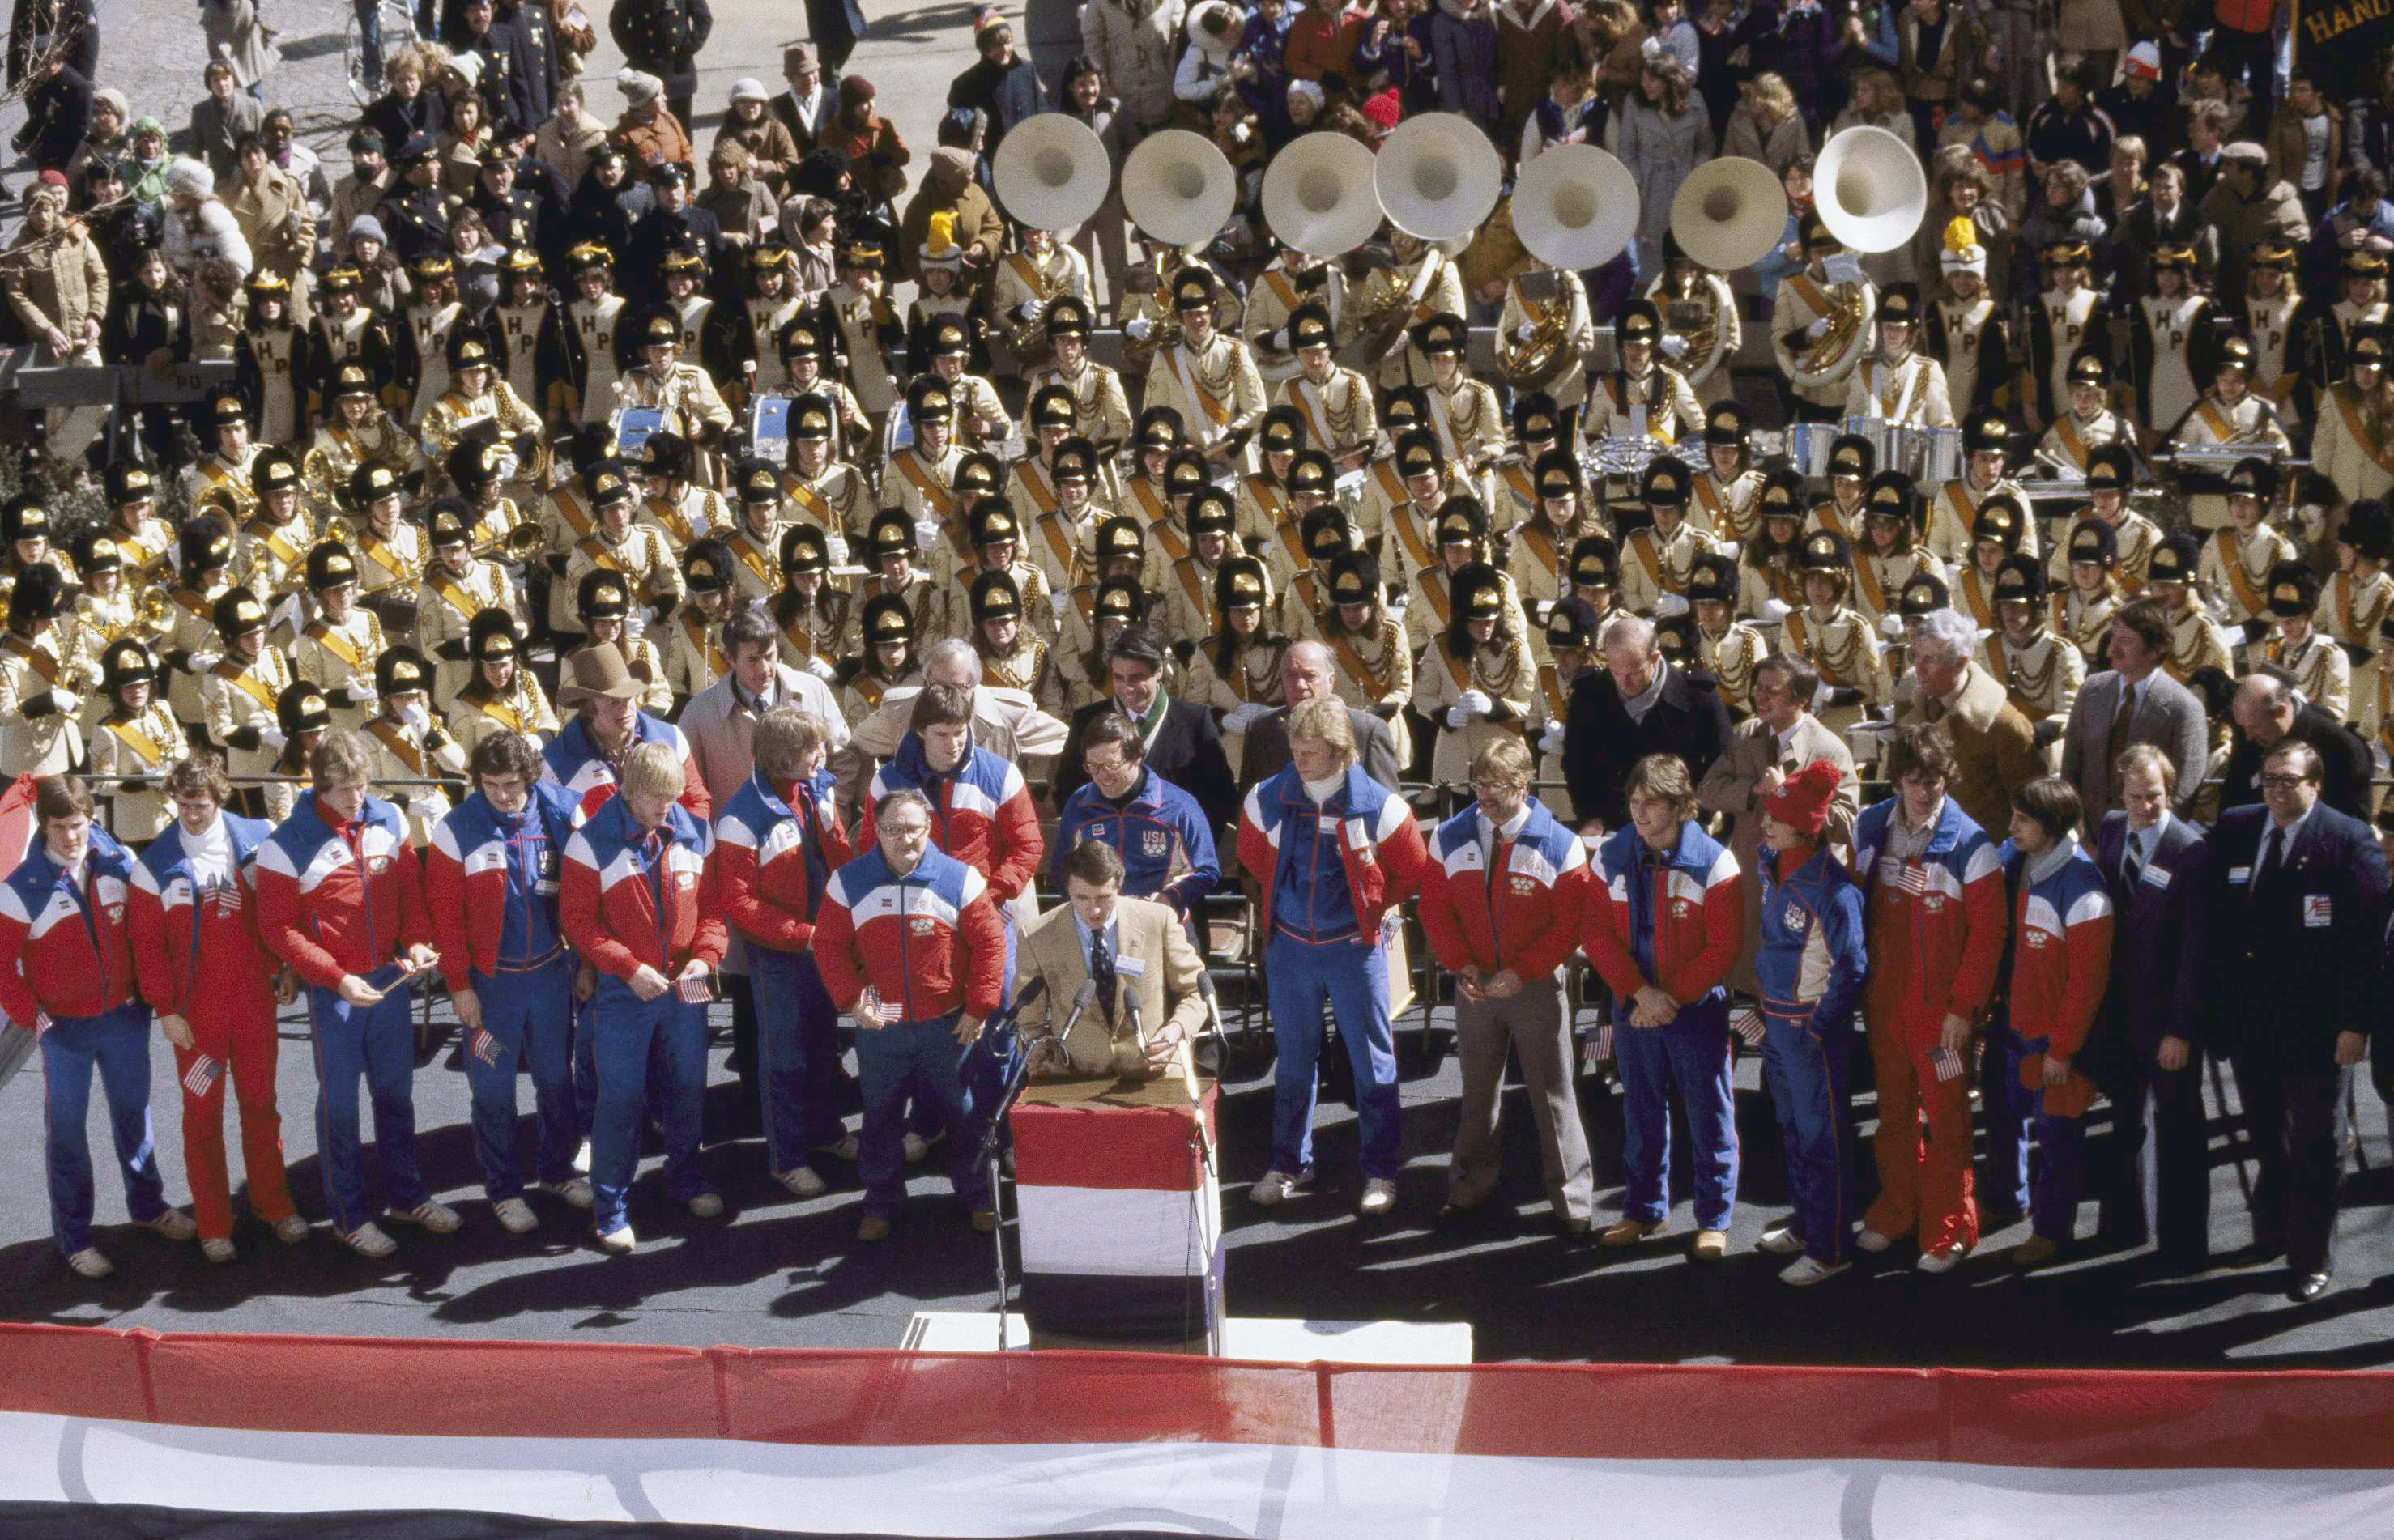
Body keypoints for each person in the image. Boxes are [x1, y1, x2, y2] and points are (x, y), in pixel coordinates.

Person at [255, 732, 455, 1258]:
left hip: (389, 983)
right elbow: (277, 930)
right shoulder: (285, 844)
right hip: (334, 995)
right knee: (340, 1107)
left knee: (396, 1097)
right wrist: (335, 977)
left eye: (362, 787)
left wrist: (414, 941)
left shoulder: (388, 819)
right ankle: (349, 1216)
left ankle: (406, 1196)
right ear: (320, 787)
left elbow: (411, 890)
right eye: (345, 791)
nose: (356, 800)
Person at [2204, 740, 2389, 1302]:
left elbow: (2365, 944)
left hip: (2318, 1028)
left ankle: (2311, 1259)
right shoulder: (2237, 827)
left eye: (2288, 780)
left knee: (2315, 1146)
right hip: (2252, 1024)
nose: (2276, 790)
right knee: (2266, 1138)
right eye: (2268, 779)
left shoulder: (2347, 839)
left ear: (2316, 784)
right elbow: (2215, 923)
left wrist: (2356, 1024)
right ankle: (2273, 1236)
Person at [1236, 696, 1428, 1215]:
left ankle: (1381, 1172)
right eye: (1295, 750)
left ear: (1342, 752)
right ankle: (1289, 1163)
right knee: (1294, 1062)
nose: (1299, 761)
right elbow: (1251, 855)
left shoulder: (1383, 807)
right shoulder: (1266, 797)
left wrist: (1371, 909)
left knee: (1372, 1064)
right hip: (1290, 949)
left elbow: (1411, 871)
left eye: (1312, 753)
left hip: (1353, 950)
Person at [0, 775, 195, 1278]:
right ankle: (74, 1237)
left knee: (135, 1117)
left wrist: (149, 998)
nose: (71, 837)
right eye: (60, 826)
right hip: (65, 1032)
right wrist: (28, 1014)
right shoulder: (20, 890)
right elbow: (2, 966)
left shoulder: (120, 864)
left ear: (93, 819)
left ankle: (148, 1207)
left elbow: (147, 933)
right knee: (66, 1136)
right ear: (44, 824)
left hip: (125, 1018)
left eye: (80, 825)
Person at [125, 755, 304, 1265]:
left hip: (252, 999)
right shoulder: (154, 863)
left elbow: (279, 911)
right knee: (201, 1116)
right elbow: (146, 945)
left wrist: (286, 969)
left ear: (218, 799)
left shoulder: (256, 837)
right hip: (195, 1013)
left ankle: (274, 1206)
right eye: (182, 805)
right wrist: (166, 1011)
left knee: (260, 1104)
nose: (191, 816)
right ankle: (213, 1222)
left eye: (200, 805)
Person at [811, 786, 1007, 1240]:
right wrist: (854, 1000)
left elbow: (991, 945)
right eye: (894, 830)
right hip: (884, 1022)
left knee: (965, 1114)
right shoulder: (848, 882)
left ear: (929, 829)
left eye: (915, 829)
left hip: (948, 1023)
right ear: (876, 831)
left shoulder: (962, 879)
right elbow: (828, 945)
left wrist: (979, 1008)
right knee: (879, 1116)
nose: (906, 839)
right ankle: (880, 1202)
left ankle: (977, 1195)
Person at [1418, 738, 1595, 1236]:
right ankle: (1468, 1190)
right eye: (1478, 782)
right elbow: (1433, 908)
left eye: (1496, 785)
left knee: (1553, 1095)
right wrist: (1462, 965)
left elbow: (1570, 926)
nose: (1484, 795)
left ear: (1524, 784)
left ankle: (1573, 1202)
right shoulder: (1449, 836)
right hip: (1475, 988)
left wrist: (1523, 970)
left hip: (1535, 988)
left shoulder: (1561, 843)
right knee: (1477, 1096)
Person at [1851, 722, 2008, 1270]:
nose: (1923, 792)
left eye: (1935, 780)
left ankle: (1952, 1227)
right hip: (1884, 1005)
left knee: (1947, 1119)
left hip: (1941, 1017)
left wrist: (1964, 1010)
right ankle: (1897, 1210)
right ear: (1897, 779)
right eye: (1914, 780)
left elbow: (1988, 938)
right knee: (1893, 1114)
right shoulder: (1870, 827)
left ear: (1949, 778)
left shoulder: (1971, 843)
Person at [560, 738, 726, 1253]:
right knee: (620, 1100)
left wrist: (707, 956)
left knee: (687, 1090)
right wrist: (627, 968)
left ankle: (685, 1179)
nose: (665, 809)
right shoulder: (589, 843)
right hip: (624, 994)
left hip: (685, 987)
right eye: (655, 799)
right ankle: (610, 1211)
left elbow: (716, 911)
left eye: (672, 798)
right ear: (629, 791)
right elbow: (578, 924)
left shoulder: (695, 834)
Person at [426, 731, 590, 1235]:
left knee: (556, 1081)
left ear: (531, 777)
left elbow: (585, 897)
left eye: (512, 784)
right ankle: (503, 1191)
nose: (502, 794)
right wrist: (459, 986)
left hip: (549, 976)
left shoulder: (564, 812)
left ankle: (557, 1173)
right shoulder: (454, 830)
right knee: (493, 1092)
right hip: (490, 986)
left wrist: (585, 964)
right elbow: (445, 919)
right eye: (490, 784)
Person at [1583, 753, 1743, 1257]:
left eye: (1652, 804)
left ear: (1681, 807)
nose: (1640, 813)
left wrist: (1668, 998)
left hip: (1693, 1009)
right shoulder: (1608, 856)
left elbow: (1724, 947)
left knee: (1708, 1113)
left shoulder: (1716, 862)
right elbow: (1596, 933)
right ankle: (1644, 1210)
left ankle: (1714, 1218)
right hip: (1634, 1007)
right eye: (1634, 802)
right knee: (1641, 1111)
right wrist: (1639, 993)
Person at [715, 707, 857, 1199]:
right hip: (777, 955)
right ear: (781, 760)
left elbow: (838, 854)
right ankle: (786, 1159)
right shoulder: (738, 817)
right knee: (784, 1059)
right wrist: (803, 933)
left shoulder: (817, 788)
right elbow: (740, 903)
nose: (823, 755)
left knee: (825, 1045)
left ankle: (827, 1132)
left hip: (822, 942)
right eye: (811, 751)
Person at [1983, 775, 2115, 1269]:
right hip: (2012, 1025)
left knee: (2057, 1141)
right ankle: (2005, 1200)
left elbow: (2087, 984)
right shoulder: (2019, 859)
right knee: (2002, 1120)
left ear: (2054, 828)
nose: (2010, 827)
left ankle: (2051, 1230)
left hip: (2053, 1043)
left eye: (2022, 820)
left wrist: (2063, 1050)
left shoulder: (2084, 890)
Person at [1748, 759, 1869, 1285]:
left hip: (1807, 1031)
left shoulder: (1834, 891)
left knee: (1823, 1140)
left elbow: (1855, 965)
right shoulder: (1771, 864)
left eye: (1776, 816)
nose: (1764, 823)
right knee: (1792, 1131)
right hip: (1775, 1024)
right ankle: (1804, 1223)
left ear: (1804, 827)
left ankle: (1829, 1247)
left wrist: (1820, 1026)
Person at [2089, 742, 2211, 1268]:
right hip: (2121, 1015)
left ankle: (2184, 1245)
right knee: (2123, 1124)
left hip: (2168, 1020)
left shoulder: (2191, 849)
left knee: (2180, 1130)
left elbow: (2197, 952)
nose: (2145, 807)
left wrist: (2180, 1029)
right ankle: (2122, 1227)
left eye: (2156, 797)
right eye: (2136, 797)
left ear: (2172, 789)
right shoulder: (2114, 828)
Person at [1697, 651, 1860, 995]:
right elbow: (1707, 790)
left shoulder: (1829, 748)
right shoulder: (1746, 736)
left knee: (1795, 986)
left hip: (1802, 887)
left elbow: (1847, 823)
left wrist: (1789, 794)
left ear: (1800, 698)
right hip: (1752, 879)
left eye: (1773, 690)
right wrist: (1754, 792)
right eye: (1758, 687)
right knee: (1749, 981)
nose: (1760, 696)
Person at [1016, 839, 1208, 1082]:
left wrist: (1176, 1029)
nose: (1093, 910)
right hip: (1075, 1079)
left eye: (1103, 898)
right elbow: (1027, 1021)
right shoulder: (1036, 937)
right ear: (1068, 890)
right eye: (1082, 898)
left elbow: (1197, 990)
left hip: (1156, 1072)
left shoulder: (1158, 921)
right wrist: (1041, 1062)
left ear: (1119, 887)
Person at [1563, 612, 1732, 837]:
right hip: (1612, 822)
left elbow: (1721, 762)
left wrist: (1696, 815)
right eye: (1616, 672)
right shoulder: (1589, 694)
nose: (1624, 683)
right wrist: (1591, 816)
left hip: (1679, 821)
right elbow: (1577, 764)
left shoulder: (1698, 696)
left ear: (1655, 658)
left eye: (1634, 673)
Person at [1052, 625, 1237, 831]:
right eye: (1118, 678)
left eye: (1136, 677)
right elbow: (1067, 794)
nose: (1127, 688)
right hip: (1107, 848)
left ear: (1158, 671)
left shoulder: (1195, 721)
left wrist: (1190, 847)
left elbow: (1220, 799)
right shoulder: (1086, 721)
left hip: (1174, 850)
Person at [1051, 713, 1219, 920]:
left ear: (1137, 758)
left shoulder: (1179, 806)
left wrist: (1170, 898)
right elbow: (1062, 867)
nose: (1102, 775)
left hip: (1160, 919)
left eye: (1111, 765)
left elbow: (1206, 870)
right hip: (1097, 920)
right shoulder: (1079, 804)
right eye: (1092, 766)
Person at [2060, 600, 2213, 823]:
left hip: (2146, 841)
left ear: (2154, 650)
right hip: (2088, 838)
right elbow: (2070, 767)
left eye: (2125, 641)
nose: (2112, 649)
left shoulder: (2184, 707)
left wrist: (2148, 840)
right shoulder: (2092, 690)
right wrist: (2078, 832)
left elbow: (2184, 791)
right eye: (2113, 638)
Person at [1901, 606, 2040, 836]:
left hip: (1983, 855)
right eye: (1915, 655)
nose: (1919, 668)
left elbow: (2031, 810)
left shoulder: (2004, 725)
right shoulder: (1915, 706)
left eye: (1931, 659)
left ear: (1961, 662)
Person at [1235, 638, 1402, 796]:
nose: (1300, 685)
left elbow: (1390, 808)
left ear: (1331, 681)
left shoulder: (1367, 731)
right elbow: (1248, 803)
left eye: (1310, 676)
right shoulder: (1261, 729)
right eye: (1291, 676)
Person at [2219, 670, 2374, 820]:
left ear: (2281, 711)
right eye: (2243, 727)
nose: (2248, 736)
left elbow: (2353, 825)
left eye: (2255, 727)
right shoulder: (2251, 732)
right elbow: (2233, 797)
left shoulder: (2340, 747)